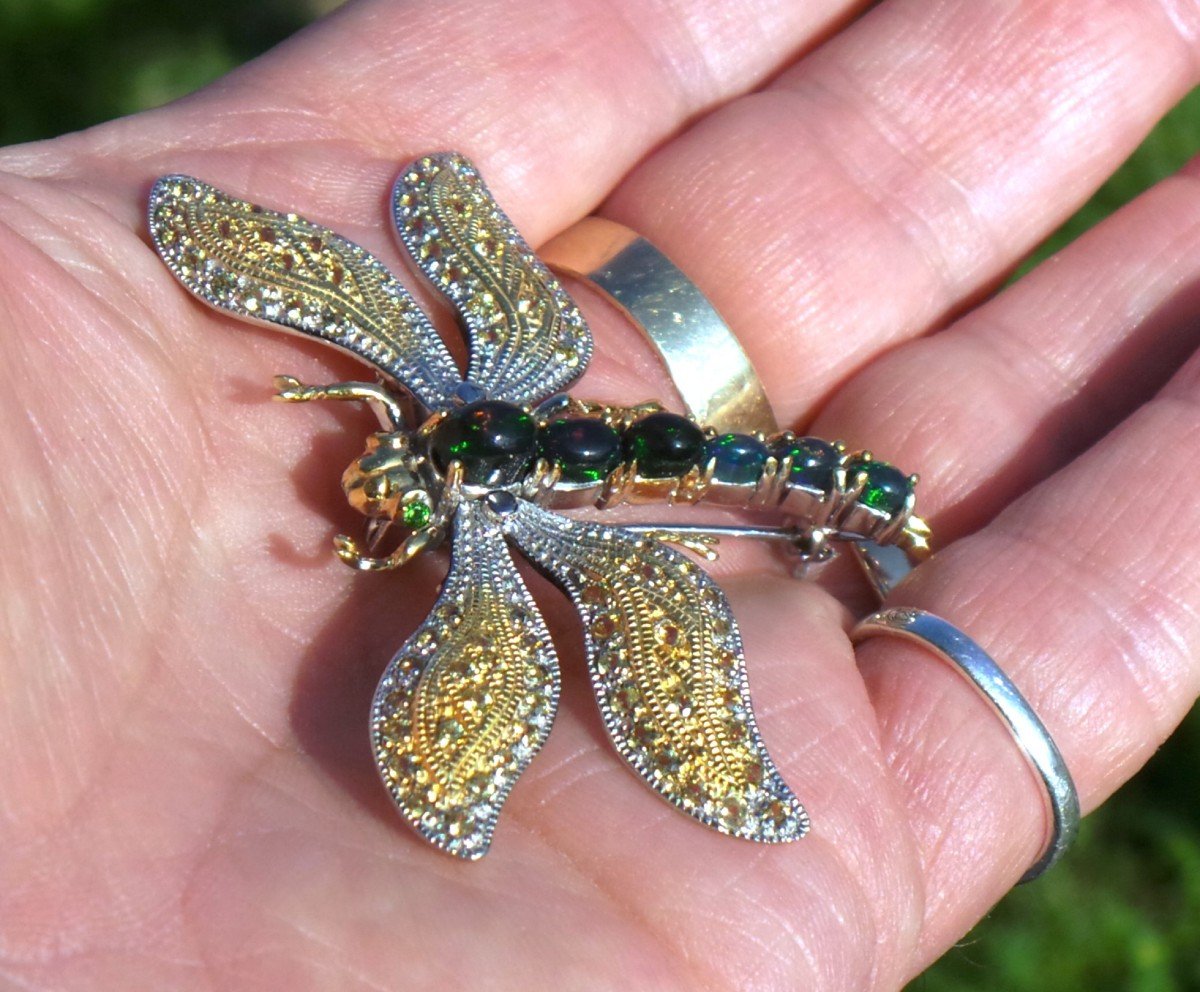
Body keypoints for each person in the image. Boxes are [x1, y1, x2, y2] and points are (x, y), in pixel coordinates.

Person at [2, 0, 1198, 987]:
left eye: (400, 492)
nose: (379, 482)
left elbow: (435, 205)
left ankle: (848, 503)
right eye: (399, 495)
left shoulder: (445, 440)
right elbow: (421, 209)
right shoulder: (434, 411)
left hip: (798, 484)